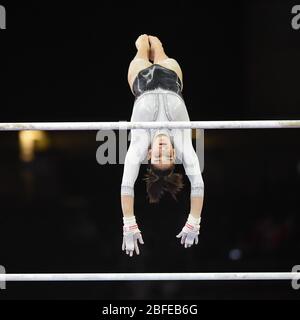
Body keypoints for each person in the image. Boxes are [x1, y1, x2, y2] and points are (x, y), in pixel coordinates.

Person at [121, 34, 204, 257]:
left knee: (142, 42)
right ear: (174, 153)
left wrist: (129, 222)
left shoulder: (139, 143)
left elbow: (127, 184)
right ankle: (154, 46)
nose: (160, 150)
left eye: (156, 156)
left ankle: (142, 45)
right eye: (166, 156)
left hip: (140, 79)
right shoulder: (182, 140)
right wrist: (194, 220)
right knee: (155, 43)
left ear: (148, 154)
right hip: (171, 76)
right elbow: (197, 182)